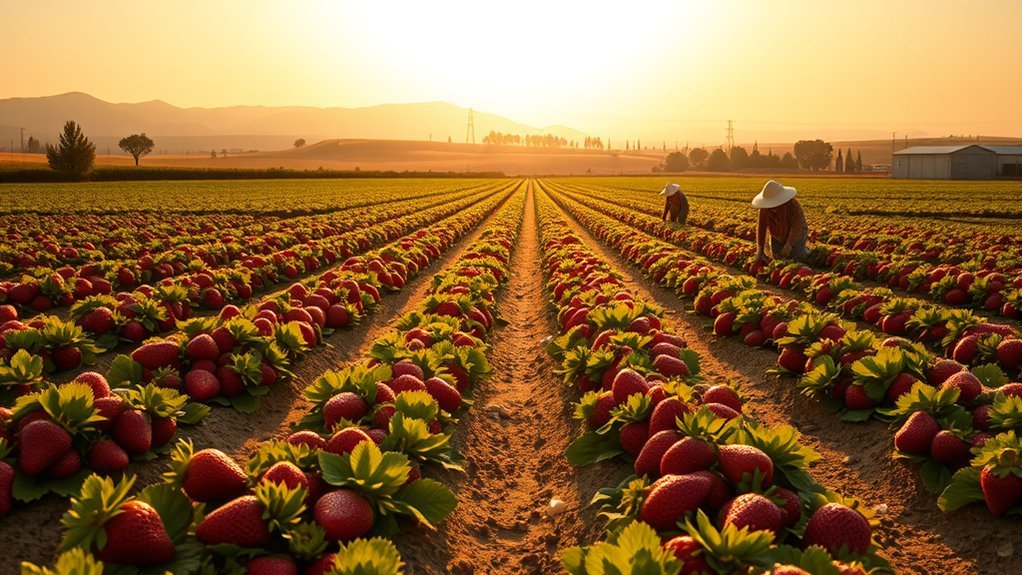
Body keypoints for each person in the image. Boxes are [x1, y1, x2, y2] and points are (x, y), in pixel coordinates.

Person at [752, 179, 809, 263]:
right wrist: (760, 250)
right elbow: (761, 228)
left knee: (798, 256)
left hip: (798, 231)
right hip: (777, 233)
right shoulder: (764, 209)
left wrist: (789, 244)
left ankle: (805, 250)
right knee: (777, 256)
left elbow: (796, 225)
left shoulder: (793, 204)